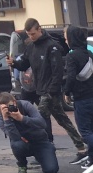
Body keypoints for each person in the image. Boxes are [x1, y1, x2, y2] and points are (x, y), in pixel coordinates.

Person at [10, 17, 86, 160]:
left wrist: (52, 91)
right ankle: (79, 147)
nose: (31, 37)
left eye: (33, 34)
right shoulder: (31, 47)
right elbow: (24, 64)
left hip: (50, 91)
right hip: (39, 89)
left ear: (39, 29)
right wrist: (14, 63)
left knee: (40, 119)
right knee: (60, 119)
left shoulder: (52, 46)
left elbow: (57, 72)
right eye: (28, 35)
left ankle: (45, 150)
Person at [63, 25, 93, 168]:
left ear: (72, 39)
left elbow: (70, 77)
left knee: (84, 131)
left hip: (82, 99)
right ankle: (91, 158)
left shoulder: (71, 56)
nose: (65, 41)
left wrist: (66, 92)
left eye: (66, 38)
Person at [0, 92, 58, 173]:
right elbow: (14, 137)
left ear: (14, 101)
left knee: (51, 170)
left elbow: (42, 123)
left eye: (10, 105)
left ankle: (42, 156)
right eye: (5, 107)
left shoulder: (25, 105)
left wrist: (22, 118)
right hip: (23, 143)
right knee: (17, 144)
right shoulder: (1, 118)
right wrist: (7, 119)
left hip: (40, 141)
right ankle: (22, 164)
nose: (10, 108)